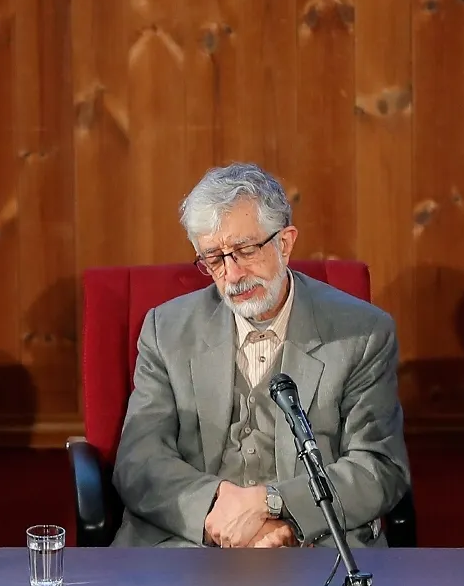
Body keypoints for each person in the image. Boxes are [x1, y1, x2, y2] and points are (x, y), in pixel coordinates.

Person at [111, 163, 412, 548]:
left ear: (284, 243)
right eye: (214, 259)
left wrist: (277, 510)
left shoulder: (362, 333)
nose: (233, 275)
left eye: (245, 250)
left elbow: (378, 467)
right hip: (187, 540)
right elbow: (140, 459)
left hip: (312, 543)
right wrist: (216, 512)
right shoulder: (166, 330)